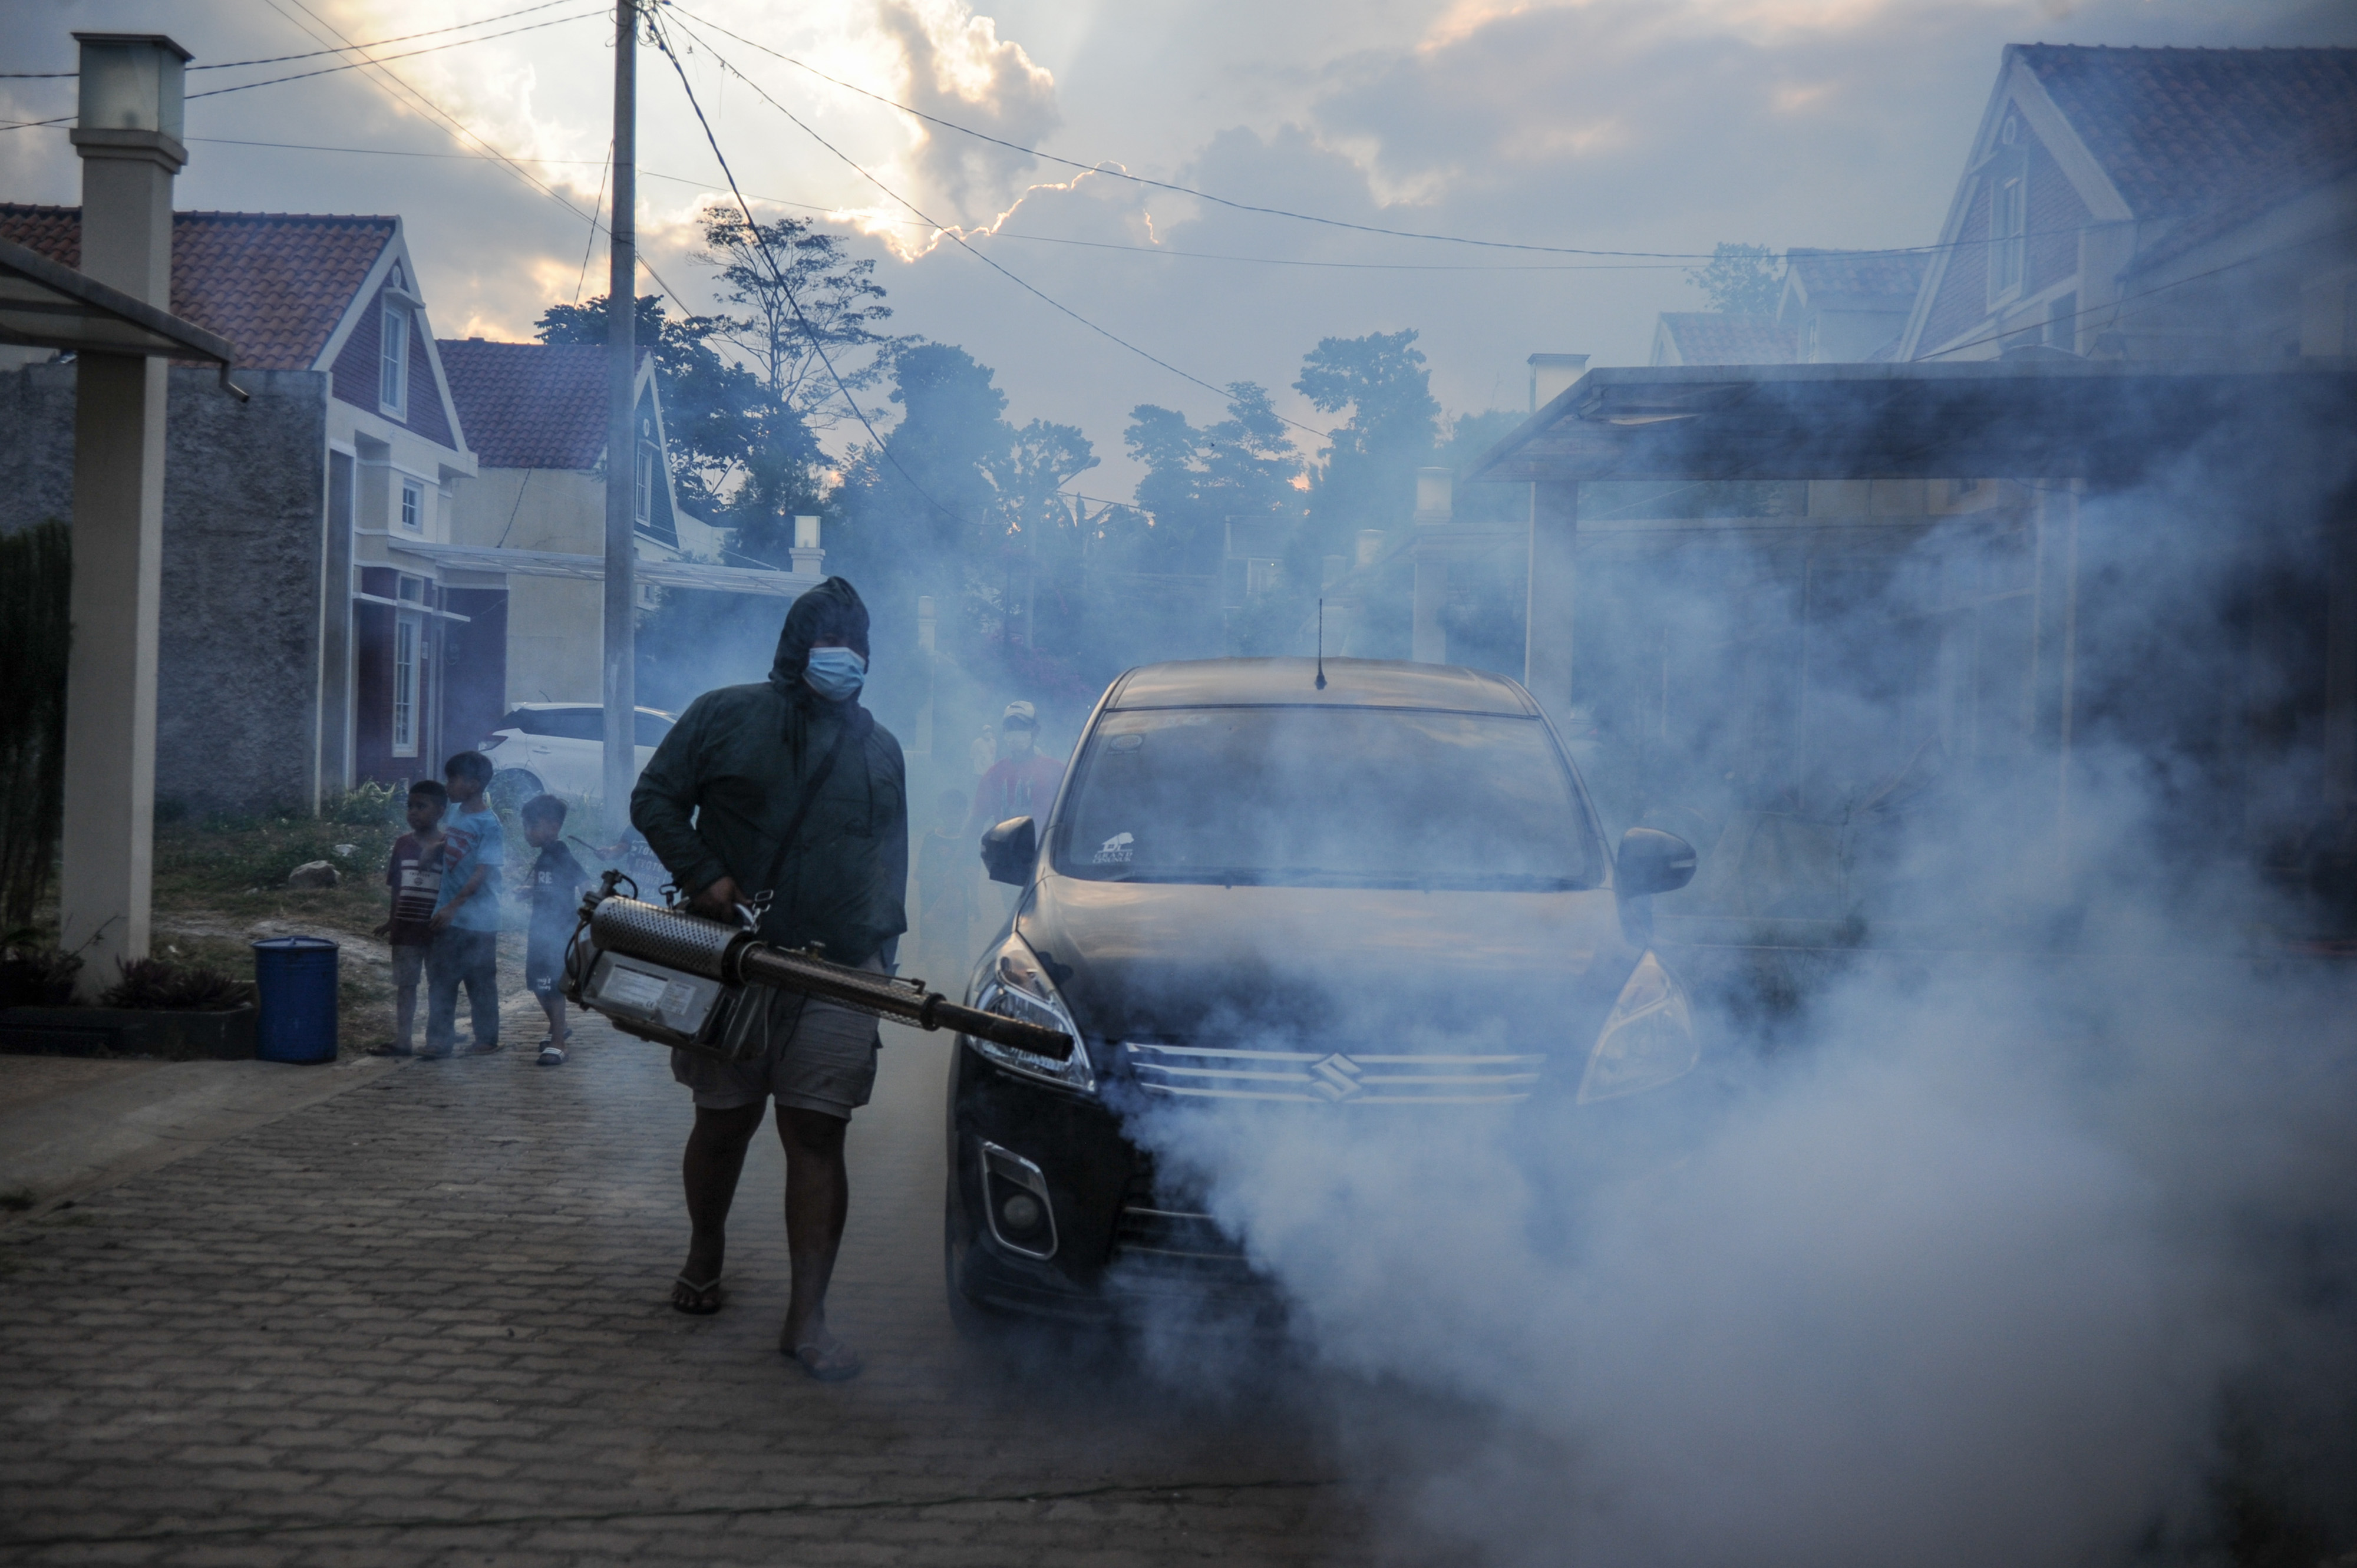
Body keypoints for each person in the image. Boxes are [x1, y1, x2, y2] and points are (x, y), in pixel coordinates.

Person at [630, 577, 906, 1382]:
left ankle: (806, 1320)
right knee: (724, 1120)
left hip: (842, 968)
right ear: (794, 647)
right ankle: (705, 1251)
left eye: (856, 643)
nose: (843, 656)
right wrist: (706, 872)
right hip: (735, 958)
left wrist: (881, 960)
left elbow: (891, 857)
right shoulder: (724, 713)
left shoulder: (880, 747)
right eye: (828, 640)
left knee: (818, 1132)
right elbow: (654, 798)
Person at [424, 751, 505, 1061]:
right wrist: (437, 847)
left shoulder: (490, 825)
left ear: (473, 784)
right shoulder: (458, 814)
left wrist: (452, 907)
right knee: (441, 980)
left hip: (478, 919)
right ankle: (439, 1041)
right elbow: (456, 841)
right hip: (450, 915)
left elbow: (482, 872)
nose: (448, 785)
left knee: (480, 981)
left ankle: (487, 1038)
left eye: (453, 779)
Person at [369, 780, 447, 1058]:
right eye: (410, 806)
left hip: (437, 929)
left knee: (439, 986)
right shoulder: (402, 844)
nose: (413, 812)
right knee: (406, 986)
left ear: (440, 811)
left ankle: (436, 1041)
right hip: (405, 929)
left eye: (421, 806)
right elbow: (396, 888)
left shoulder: (447, 845)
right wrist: (392, 921)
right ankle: (403, 1041)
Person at [965, 701, 1065, 899]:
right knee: (1015, 920)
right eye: (1010, 728)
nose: (1014, 733)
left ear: (1035, 731)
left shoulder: (1056, 771)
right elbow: (974, 824)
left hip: (1047, 862)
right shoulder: (995, 775)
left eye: (1021, 727)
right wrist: (961, 870)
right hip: (1009, 866)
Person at [518, 794, 589, 1067]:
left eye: (532, 826)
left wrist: (591, 906)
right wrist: (529, 891)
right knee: (536, 984)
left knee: (552, 987)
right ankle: (558, 1028)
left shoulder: (560, 853)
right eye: (525, 826)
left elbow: (583, 882)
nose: (527, 832)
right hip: (540, 929)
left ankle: (559, 1042)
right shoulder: (544, 857)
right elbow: (550, 885)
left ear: (554, 827)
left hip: (559, 931)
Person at [915, 787, 973, 978]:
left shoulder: (967, 840)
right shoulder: (931, 838)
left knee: (958, 934)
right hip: (931, 895)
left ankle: (959, 973)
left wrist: (974, 901)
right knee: (930, 933)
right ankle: (928, 973)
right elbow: (921, 870)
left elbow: (972, 871)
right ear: (940, 812)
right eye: (949, 813)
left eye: (957, 814)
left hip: (958, 897)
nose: (953, 818)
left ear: (965, 814)